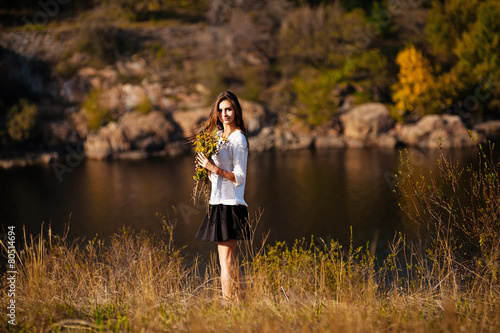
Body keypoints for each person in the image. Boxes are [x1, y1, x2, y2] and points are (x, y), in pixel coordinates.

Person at [194, 90, 250, 300]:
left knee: (226, 262)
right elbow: (215, 176)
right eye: (220, 110)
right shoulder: (217, 137)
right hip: (217, 203)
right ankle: (242, 304)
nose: (224, 114)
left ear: (235, 110)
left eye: (228, 109)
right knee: (229, 261)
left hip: (232, 204)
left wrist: (214, 168)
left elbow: (240, 177)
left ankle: (228, 306)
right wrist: (206, 169)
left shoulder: (238, 138)